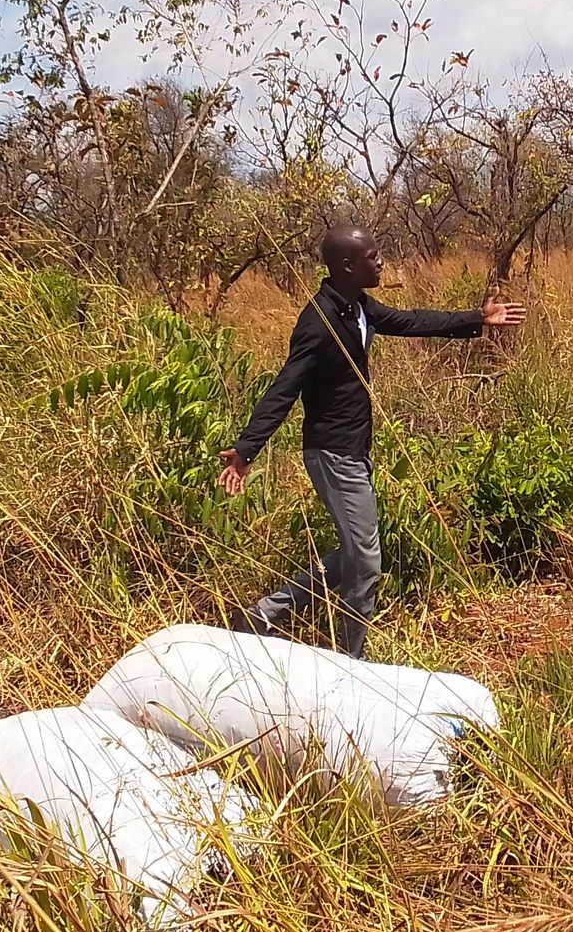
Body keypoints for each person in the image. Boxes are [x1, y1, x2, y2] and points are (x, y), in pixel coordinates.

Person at [218, 226, 526, 656]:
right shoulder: (318, 322)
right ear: (347, 266)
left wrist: (477, 318)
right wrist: (247, 449)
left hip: (354, 449)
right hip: (331, 453)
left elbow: (410, 321)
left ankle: (265, 613)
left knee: (355, 552)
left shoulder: (358, 306)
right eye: (373, 256)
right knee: (366, 561)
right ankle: (351, 660)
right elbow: (284, 387)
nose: (381, 262)